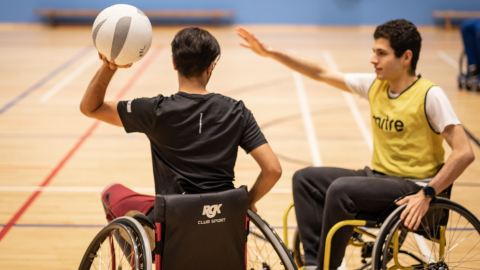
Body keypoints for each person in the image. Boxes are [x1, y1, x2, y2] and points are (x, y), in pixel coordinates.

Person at [237, 19, 475, 269]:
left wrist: (427, 194)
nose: (373, 59)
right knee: (305, 179)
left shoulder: (430, 95)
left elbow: (464, 153)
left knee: (341, 190)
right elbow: (320, 72)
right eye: (374, 52)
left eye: (381, 53)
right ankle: (312, 263)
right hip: (380, 178)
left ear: (406, 57)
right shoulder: (376, 85)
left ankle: (326, 266)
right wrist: (269, 52)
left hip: (413, 187)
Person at [80, 27, 282, 223]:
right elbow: (273, 170)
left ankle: (140, 257)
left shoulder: (154, 110)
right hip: (224, 221)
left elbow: (90, 108)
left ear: (174, 63)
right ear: (211, 66)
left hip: (174, 223)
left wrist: (110, 66)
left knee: (111, 193)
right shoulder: (238, 111)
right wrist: (247, 201)